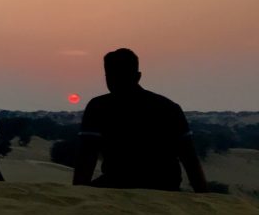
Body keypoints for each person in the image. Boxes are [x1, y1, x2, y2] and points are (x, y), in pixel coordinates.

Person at [73, 48, 207, 192]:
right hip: (165, 188)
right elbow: (190, 159)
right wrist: (204, 198)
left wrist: (77, 197)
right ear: (138, 76)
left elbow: (86, 158)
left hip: (118, 185)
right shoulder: (169, 108)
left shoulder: (98, 107)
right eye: (112, 76)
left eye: (118, 76)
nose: (114, 81)